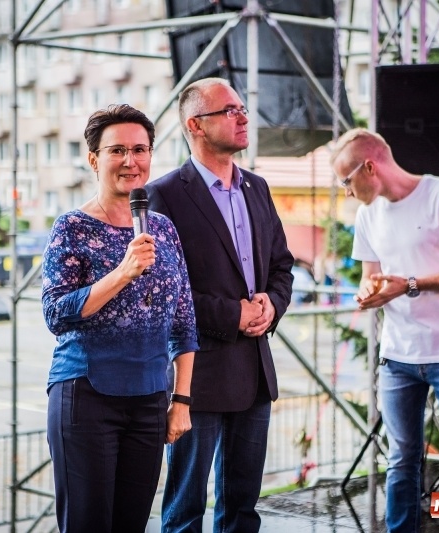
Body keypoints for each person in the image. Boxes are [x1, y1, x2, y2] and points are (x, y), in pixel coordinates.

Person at [330, 128, 439, 532]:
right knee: (400, 462)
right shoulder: (368, 215)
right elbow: (371, 279)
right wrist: (369, 293)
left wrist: (410, 284)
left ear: (369, 167)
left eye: (346, 181)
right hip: (397, 359)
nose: (346, 193)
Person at [146, 77, 294, 532]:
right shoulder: (164, 195)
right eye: (230, 110)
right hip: (199, 377)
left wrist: (270, 305)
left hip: (254, 372)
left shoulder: (258, 187)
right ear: (196, 124)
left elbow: (282, 267)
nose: (243, 116)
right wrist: (234, 314)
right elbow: (164, 291)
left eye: (242, 108)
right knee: (186, 510)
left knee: (242, 508)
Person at [42, 104, 198, 533]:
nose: (131, 161)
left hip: (149, 400)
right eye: (117, 151)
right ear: (94, 159)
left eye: (140, 149)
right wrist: (123, 272)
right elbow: (56, 314)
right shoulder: (71, 227)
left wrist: (181, 401)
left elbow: (184, 321)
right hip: (86, 397)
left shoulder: (163, 229)